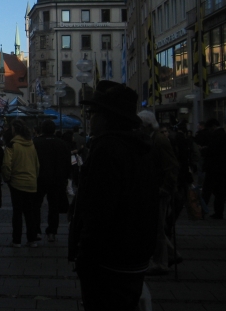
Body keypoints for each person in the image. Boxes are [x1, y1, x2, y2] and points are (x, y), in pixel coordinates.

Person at [70, 81, 161, 311]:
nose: (90, 119)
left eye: (93, 113)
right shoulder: (140, 147)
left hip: (109, 261)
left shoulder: (107, 150)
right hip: (133, 257)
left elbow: (98, 211)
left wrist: (84, 257)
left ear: (107, 117)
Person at [138, 112, 178, 276]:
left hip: (161, 189)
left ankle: (161, 263)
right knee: (156, 225)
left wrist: (166, 187)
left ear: (147, 125)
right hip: (156, 187)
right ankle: (171, 254)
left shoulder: (159, 140)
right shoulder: (153, 138)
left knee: (158, 227)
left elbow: (172, 166)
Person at [2, 119, 40, 248]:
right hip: (31, 182)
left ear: (14, 130)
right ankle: (32, 239)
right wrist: (34, 177)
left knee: (17, 213)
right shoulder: (31, 144)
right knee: (30, 213)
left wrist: (7, 178)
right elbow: (36, 163)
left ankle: (16, 240)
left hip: (17, 182)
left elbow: (7, 164)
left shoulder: (12, 145)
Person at [33, 120, 71, 243]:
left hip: (38, 179)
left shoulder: (35, 143)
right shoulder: (62, 143)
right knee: (54, 206)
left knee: (36, 206)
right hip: (57, 180)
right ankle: (52, 232)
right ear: (54, 130)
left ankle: (36, 230)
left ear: (42, 129)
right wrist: (65, 179)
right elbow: (67, 162)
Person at [201, 118, 226, 219]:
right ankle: (219, 212)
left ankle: (202, 210)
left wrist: (204, 150)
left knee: (207, 190)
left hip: (213, 167)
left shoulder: (215, 136)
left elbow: (211, 151)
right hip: (223, 168)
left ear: (213, 126)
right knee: (220, 192)